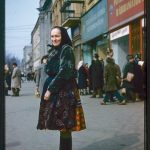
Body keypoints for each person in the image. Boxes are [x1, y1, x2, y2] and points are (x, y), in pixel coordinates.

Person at [37, 26, 86, 150]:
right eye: (52, 36)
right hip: (58, 92)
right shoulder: (54, 51)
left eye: (57, 36)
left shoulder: (66, 49)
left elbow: (64, 71)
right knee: (62, 126)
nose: (54, 39)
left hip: (65, 92)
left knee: (65, 125)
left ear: (63, 36)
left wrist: (50, 89)